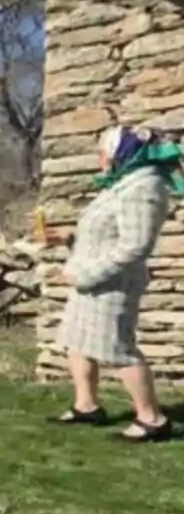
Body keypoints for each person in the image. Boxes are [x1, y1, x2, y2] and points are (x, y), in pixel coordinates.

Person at [53, 125, 183, 442]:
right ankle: (87, 406)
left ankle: (152, 419)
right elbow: (106, 234)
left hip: (112, 283)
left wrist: (85, 275)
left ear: (123, 152)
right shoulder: (121, 184)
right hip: (92, 282)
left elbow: (135, 245)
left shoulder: (144, 187)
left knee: (117, 348)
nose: (100, 158)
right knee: (77, 340)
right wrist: (68, 239)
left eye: (104, 151)